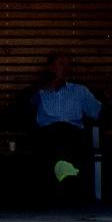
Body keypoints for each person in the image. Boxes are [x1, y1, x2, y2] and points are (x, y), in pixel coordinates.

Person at [28, 54, 102, 205]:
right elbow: (24, 107)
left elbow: (98, 112)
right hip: (48, 134)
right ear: (51, 68)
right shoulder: (40, 91)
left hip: (72, 133)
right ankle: (58, 189)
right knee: (53, 144)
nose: (64, 69)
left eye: (67, 65)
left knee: (68, 143)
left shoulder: (80, 91)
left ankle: (67, 189)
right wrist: (41, 86)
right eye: (60, 64)